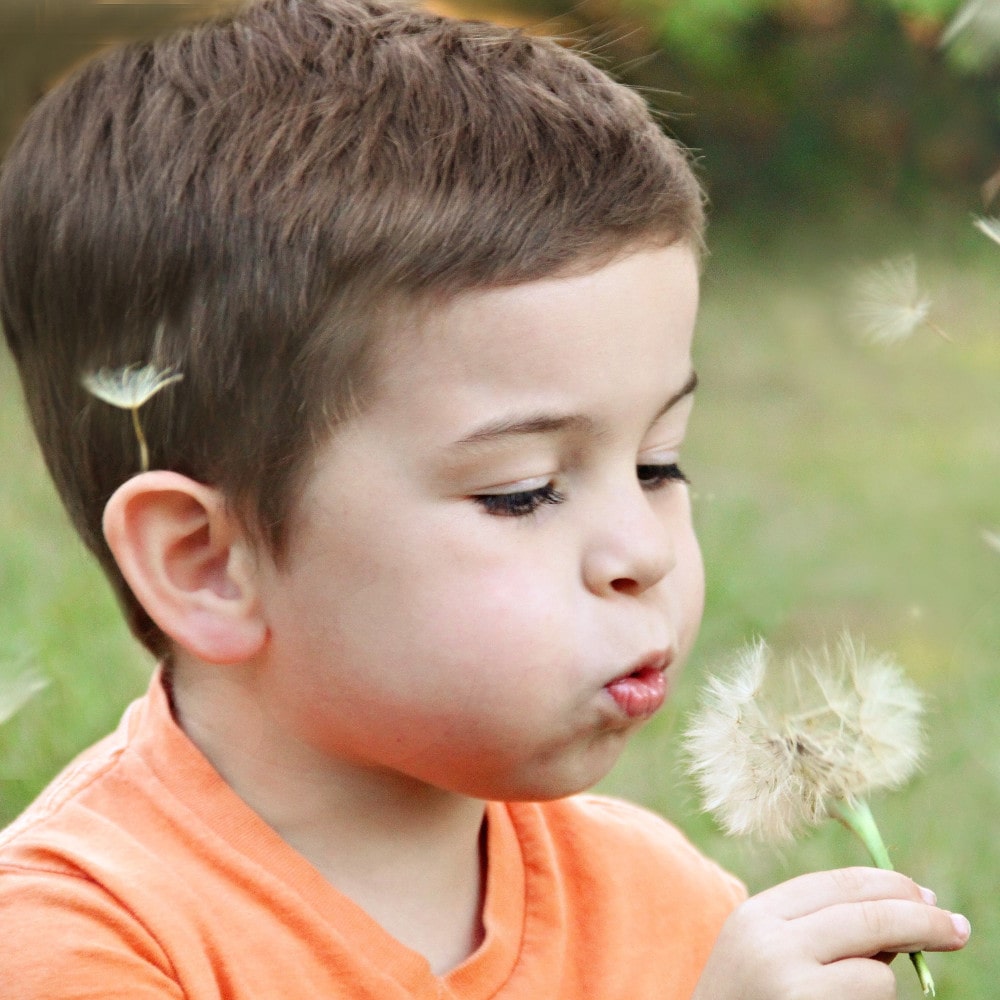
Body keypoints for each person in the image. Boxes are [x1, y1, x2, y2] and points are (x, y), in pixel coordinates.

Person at [0, 0, 969, 996]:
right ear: (208, 562)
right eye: (524, 492)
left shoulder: (663, 900)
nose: (643, 549)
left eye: (657, 464)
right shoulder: (80, 939)